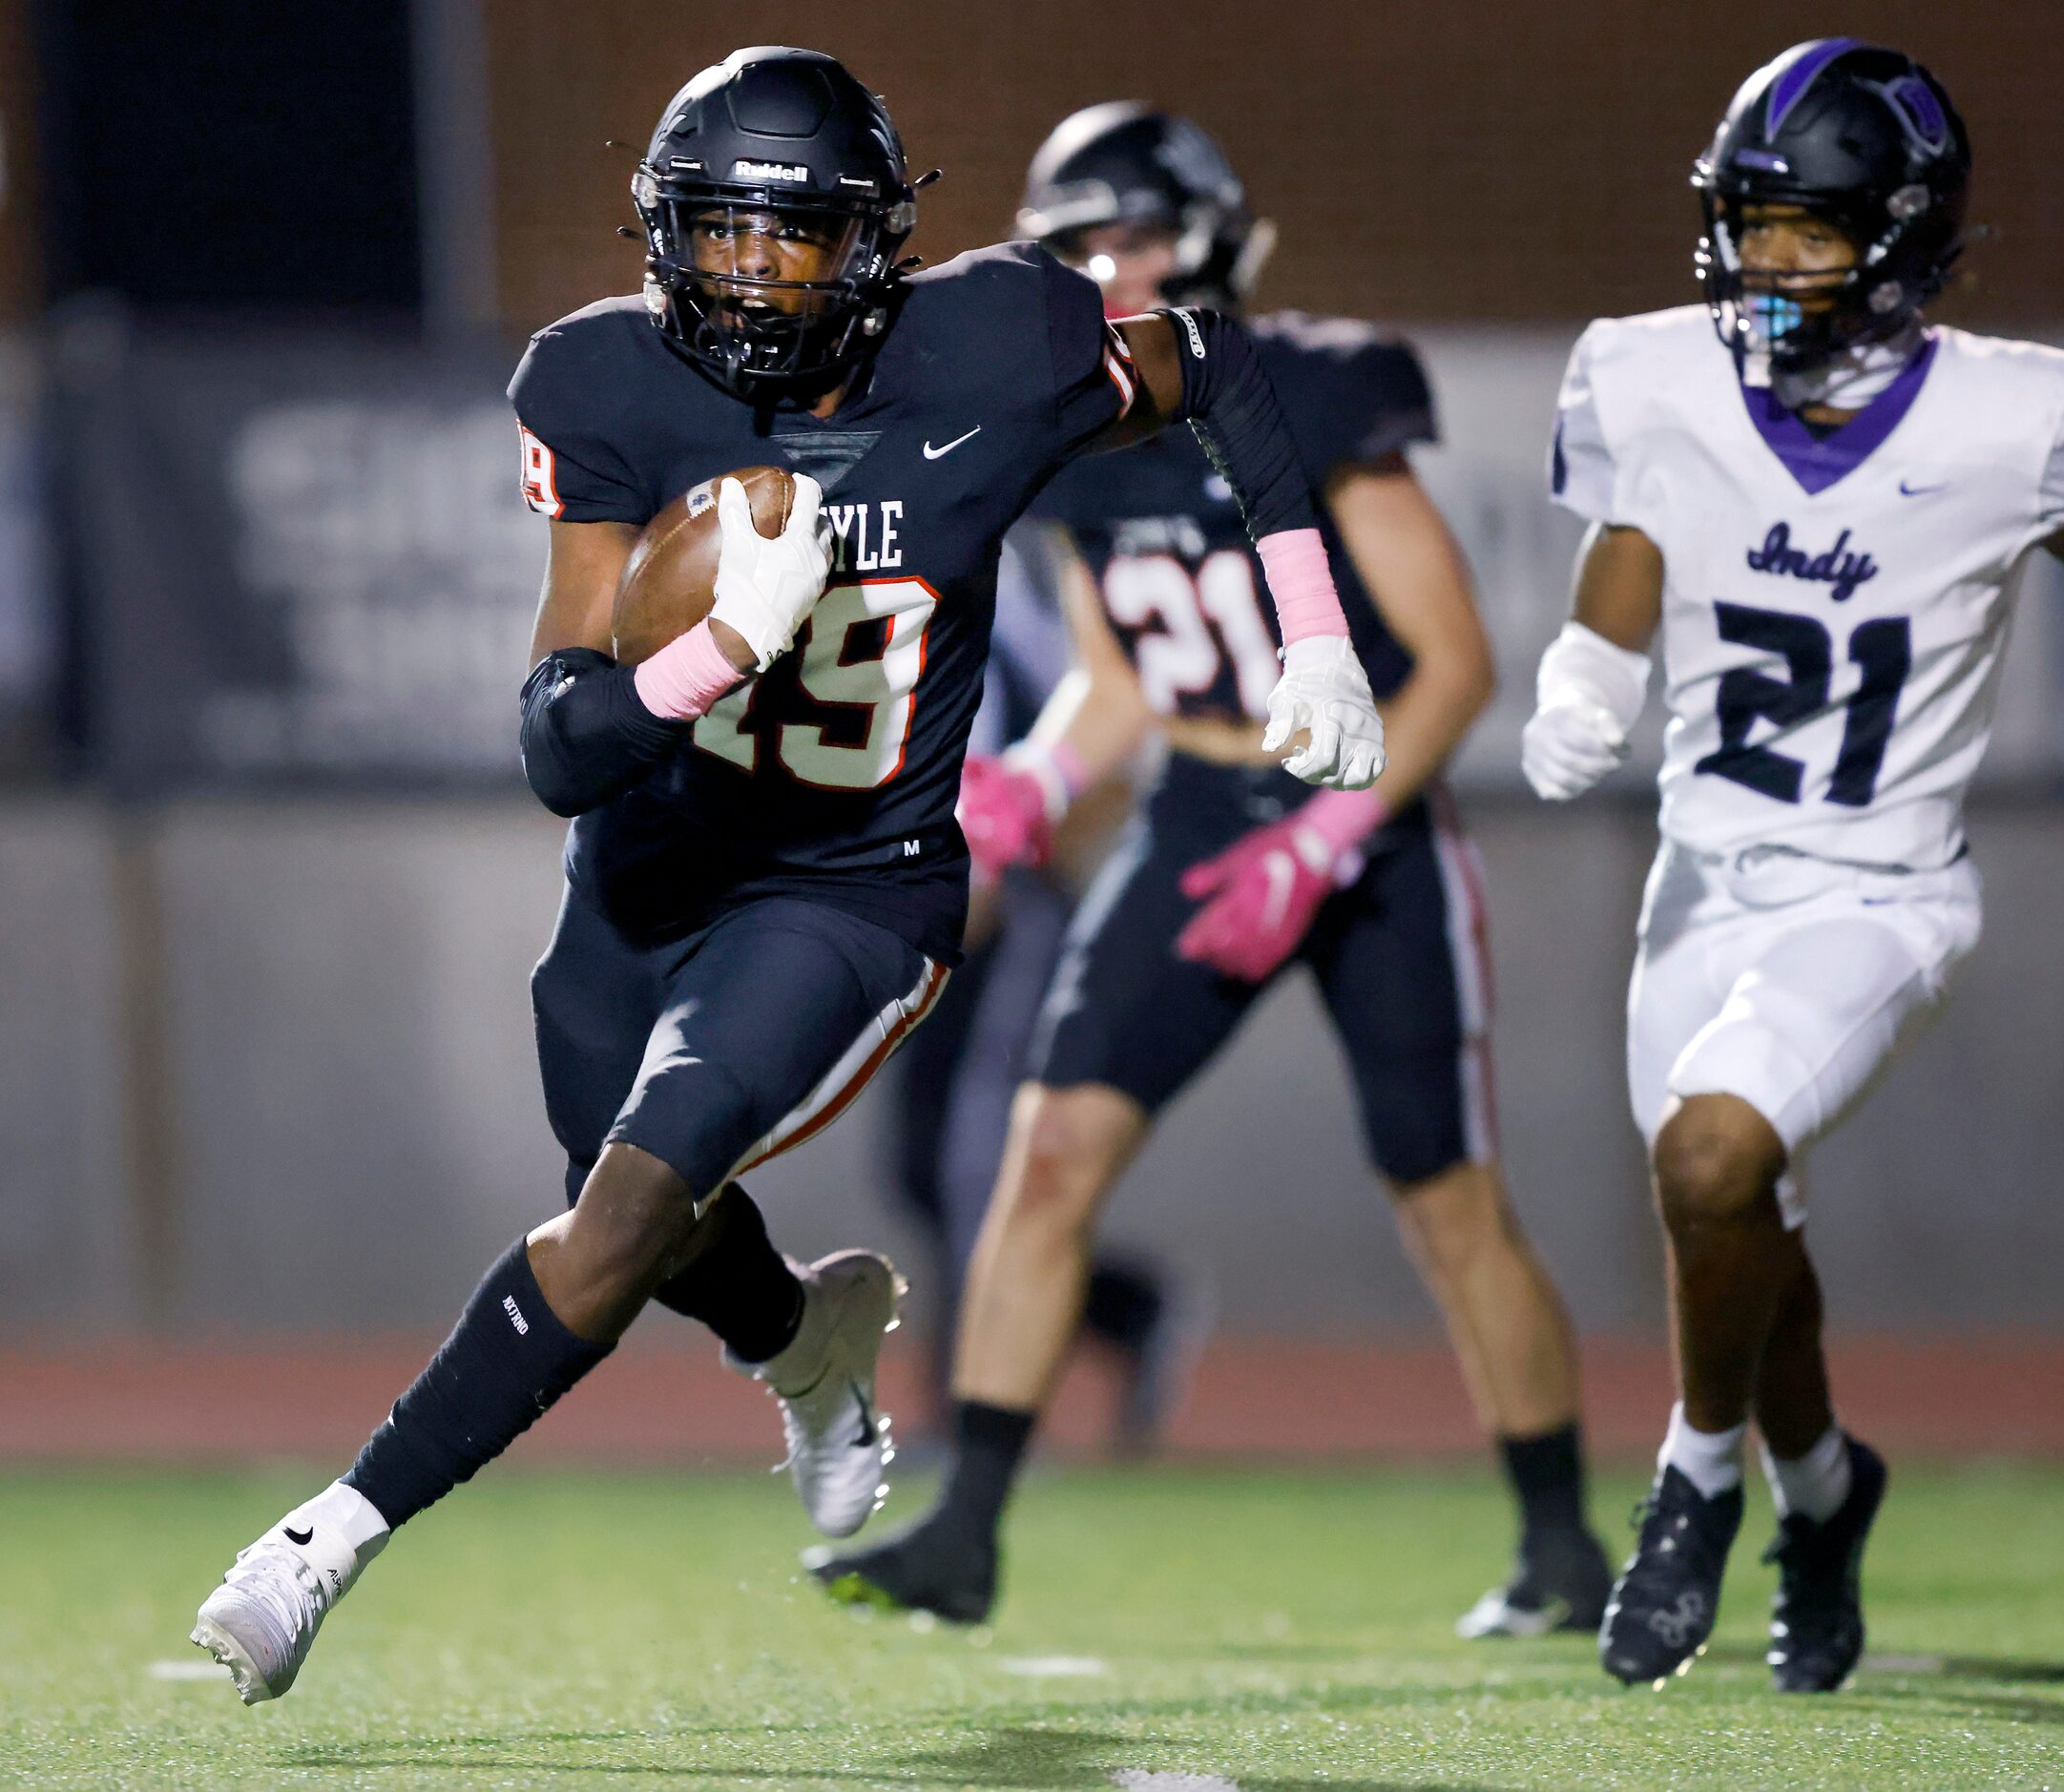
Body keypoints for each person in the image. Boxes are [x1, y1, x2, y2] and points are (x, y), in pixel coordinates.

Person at [187, 46, 1387, 1705]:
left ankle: (325, 1537)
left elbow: (1217, 362)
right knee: (652, 1219)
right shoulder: (606, 386)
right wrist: (719, 651)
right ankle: (804, 1339)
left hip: (849, 883)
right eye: (720, 233)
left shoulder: (997, 338)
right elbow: (559, 743)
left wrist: (1313, 638)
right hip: (643, 871)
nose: (750, 274)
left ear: (875, 248)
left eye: (793, 237)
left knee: (615, 1218)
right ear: (664, 232)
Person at [811, 103, 1610, 1637]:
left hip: (1361, 823)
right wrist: (1038, 776)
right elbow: (1120, 678)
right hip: (1190, 809)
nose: (1109, 268)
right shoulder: (1061, 428)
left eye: (1138, 235)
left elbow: (1451, 663)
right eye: (1078, 243)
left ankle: (1561, 1538)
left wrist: (1323, 836)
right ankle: (967, 1529)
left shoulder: (1308, 384)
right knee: (1043, 1160)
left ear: (1213, 239)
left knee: (1445, 1196)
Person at [1519, 39, 2064, 1692]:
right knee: (1743, 1233)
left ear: (1904, 237)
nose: (1763, 267)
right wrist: (1586, 678)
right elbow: (1633, 526)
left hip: (1882, 894)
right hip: (1697, 890)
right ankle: (1831, 1491)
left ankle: (1698, 1483)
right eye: (1746, 226)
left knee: (1714, 1161)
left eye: (1804, 232)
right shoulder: (1659, 379)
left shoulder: (2014, 417)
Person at [875, 538, 1196, 1449]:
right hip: (922, 908)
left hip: (1005, 912)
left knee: (977, 1159)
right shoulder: (894, 576)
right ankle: (1123, 1307)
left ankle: (979, 1415)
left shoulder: (1026, 583)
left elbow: (1105, 740)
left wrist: (1008, 870)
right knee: (918, 1161)